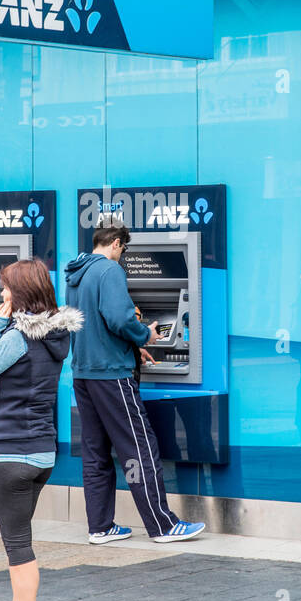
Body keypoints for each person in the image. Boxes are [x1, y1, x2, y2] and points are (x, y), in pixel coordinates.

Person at [0, 258, 83, 601]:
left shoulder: (17, 336)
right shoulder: (56, 337)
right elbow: (22, 381)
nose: (2, 294)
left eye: (6, 288)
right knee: (21, 537)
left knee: (18, 545)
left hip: (11, 454)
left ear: (19, 294)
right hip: (41, 453)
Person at [64, 223, 206, 544]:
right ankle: (163, 525)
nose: (123, 256)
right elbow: (118, 318)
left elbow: (94, 325)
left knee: (95, 452)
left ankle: (100, 526)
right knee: (139, 448)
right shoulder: (109, 271)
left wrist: (130, 346)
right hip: (112, 375)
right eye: (124, 250)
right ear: (116, 243)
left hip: (84, 374)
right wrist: (146, 335)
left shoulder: (76, 274)